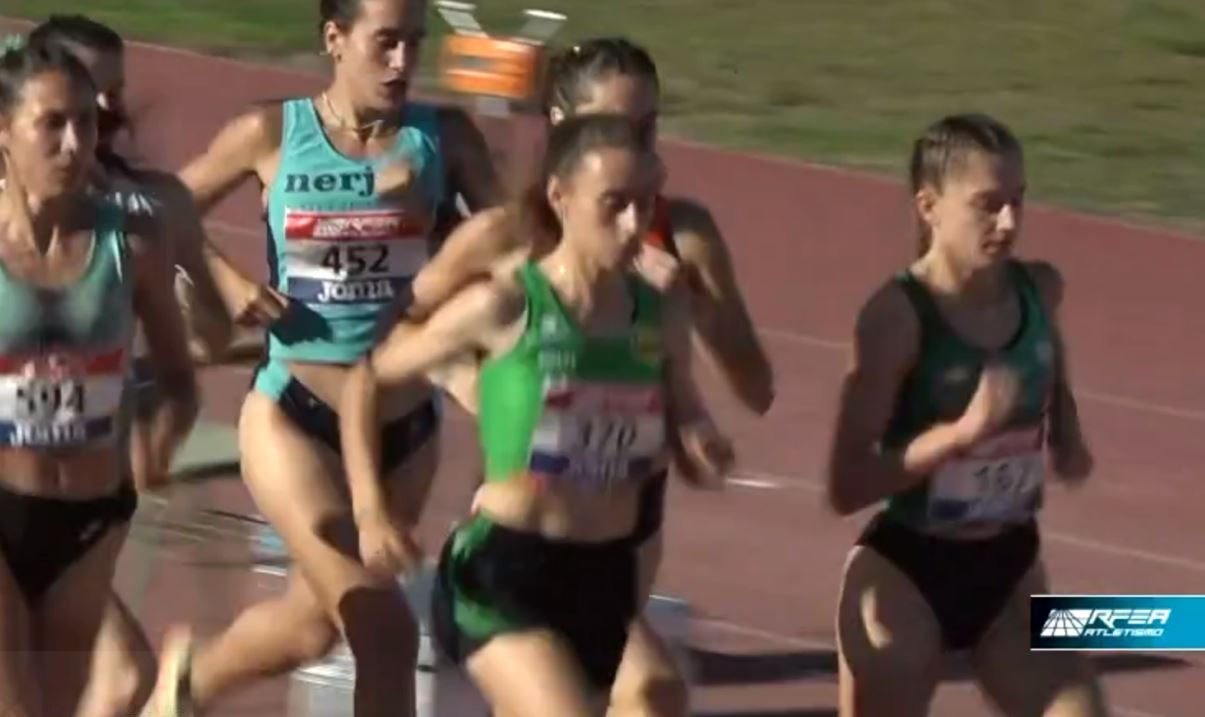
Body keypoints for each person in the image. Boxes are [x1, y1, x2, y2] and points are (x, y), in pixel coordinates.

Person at [389, 36, 772, 714]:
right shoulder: (506, 239)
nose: (639, 145)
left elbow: (755, 387)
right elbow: (400, 331)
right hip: (521, 538)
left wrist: (689, 304)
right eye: (619, 126)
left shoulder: (683, 234)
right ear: (566, 129)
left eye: (649, 128)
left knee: (649, 696)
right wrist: (473, 383)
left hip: (621, 538)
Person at [143, 1, 501, 716]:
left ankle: (184, 689)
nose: (403, 64)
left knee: (313, 625)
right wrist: (224, 280)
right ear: (335, 40)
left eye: (415, 45)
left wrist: (449, 235)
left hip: (403, 430)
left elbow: (518, 252)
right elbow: (150, 211)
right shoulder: (271, 133)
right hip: (292, 418)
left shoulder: (444, 140)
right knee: (384, 629)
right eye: (386, 43)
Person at [825, 113, 1109, 717]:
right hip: (906, 575)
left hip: (1010, 572)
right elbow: (846, 484)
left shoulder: (1039, 289)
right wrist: (959, 435)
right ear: (928, 206)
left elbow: (1047, 353)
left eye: (1018, 202)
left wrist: (1067, 427)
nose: (1008, 223)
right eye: (987, 205)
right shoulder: (895, 318)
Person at [0, 36, 197, 717]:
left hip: (89, 520)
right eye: (50, 123)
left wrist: (160, 439)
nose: (74, 141)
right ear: (3, 129)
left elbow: (177, 376)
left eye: (86, 121)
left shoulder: (133, 243)